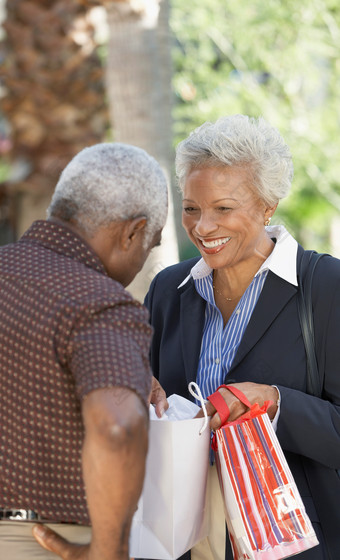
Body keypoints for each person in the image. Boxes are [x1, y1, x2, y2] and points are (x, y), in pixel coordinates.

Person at [144, 115, 340, 560]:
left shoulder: (328, 287)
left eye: (223, 208)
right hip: (181, 539)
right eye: (192, 208)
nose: (203, 227)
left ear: (267, 205)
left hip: (289, 543)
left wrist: (273, 401)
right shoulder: (168, 291)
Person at [0, 142, 169, 560]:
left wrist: (117, 371)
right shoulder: (101, 303)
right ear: (132, 231)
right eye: (151, 244)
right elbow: (117, 428)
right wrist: (108, 552)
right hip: (39, 543)